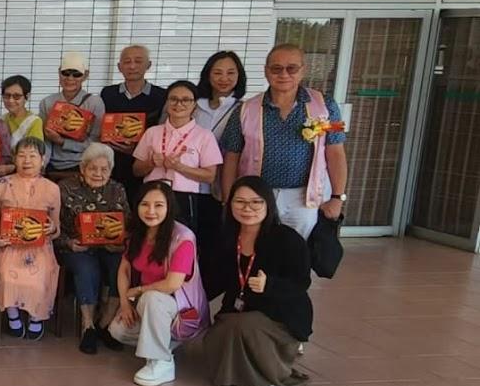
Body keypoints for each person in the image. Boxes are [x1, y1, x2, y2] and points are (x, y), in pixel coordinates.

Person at [221, 43, 348, 240]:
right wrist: (228, 199)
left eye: (292, 68)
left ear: (303, 70)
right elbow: (231, 157)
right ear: (266, 71)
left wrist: (337, 197)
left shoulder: (327, 105)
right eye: (276, 68)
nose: (284, 74)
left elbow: (336, 152)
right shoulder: (245, 109)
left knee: (299, 251)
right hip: (256, 197)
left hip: (305, 197)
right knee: (257, 247)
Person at [203, 177, 312, 386]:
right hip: (237, 310)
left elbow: (301, 283)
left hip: (280, 315)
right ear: (230, 204)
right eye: (240, 202)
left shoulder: (287, 239)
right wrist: (186, 299)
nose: (247, 209)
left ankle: (261, 378)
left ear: (268, 204)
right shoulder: (226, 237)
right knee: (218, 333)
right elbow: (213, 281)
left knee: (244, 326)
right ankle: (237, 375)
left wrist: (269, 285)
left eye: (256, 202)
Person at [108, 180, 211, 386]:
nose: (151, 211)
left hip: (181, 311)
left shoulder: (183, 238)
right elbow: (124, 269)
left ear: (169, 207)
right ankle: (161, 344)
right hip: (150, 306)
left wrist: (138, 290)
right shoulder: (138, 232)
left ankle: (161, 362)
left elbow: (172, 284)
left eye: (158, 205)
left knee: (152, 298)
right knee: (118, 330)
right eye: (145, 204)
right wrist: (125, 304)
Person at [57, 143, 129, 354]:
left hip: (109, 247)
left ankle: (105, 323)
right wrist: (69, 242)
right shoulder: (65, 188)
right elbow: (53, 226)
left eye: (104, 169)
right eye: (92, 168)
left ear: (111, 171)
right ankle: (88, 326)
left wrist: (120, 240)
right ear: (83, 168)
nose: (98, 173)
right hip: (77, 247)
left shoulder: (117, 189)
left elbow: (128, 223)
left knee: (121, 267)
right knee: (86, 268)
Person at [0, 137, 61, 339]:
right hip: (8, 244)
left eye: (32, 156)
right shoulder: (1, 184)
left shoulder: (52, 188)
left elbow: (57, 227)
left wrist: (51, 228)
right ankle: (12, 314)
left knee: (41, 274)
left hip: (39, 246)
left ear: (43, 160)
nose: (27, 160)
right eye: (21, 155)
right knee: (5, 272)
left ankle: (36, 316)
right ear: (14, 159)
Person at [131, 80, 223, 230]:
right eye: (173, 99)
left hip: (184, 198)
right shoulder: (152, 132)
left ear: (194, 105)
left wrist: (180, 167)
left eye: (186, 100)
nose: (179, 104)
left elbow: (209, 176)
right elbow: (136, 170)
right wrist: (151, 163)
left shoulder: (204, 136)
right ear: (167, 103)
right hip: (151, 196)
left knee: (182, 238)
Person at [194, 51, 246, 296]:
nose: (224, 78)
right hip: (189, 185)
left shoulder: (244, 109)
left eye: (230, 73)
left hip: (221, 188)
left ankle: (206, 296)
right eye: (217, 72)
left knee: (215, 244)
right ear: (208, 75)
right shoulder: (194, 105)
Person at [99, 45, 167, 200]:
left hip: (145, 165)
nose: (132, 66)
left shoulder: (161, 95)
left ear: (148, 65)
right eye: (127, 62)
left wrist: (137, 150)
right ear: (119, 67)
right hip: (112, 162)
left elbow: (162, 132)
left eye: (138, 61)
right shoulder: (108, 93)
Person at [40, 52, 105, 176]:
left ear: (85, 75)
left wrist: (62, 141)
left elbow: (96, 142)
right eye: (65, 73)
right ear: (59, 73)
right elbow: (44, 141)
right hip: (51, 166)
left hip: (83, 166)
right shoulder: (47, 102)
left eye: (76, 74)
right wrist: (42, 165)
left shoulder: (95, 103)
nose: (70, 78)